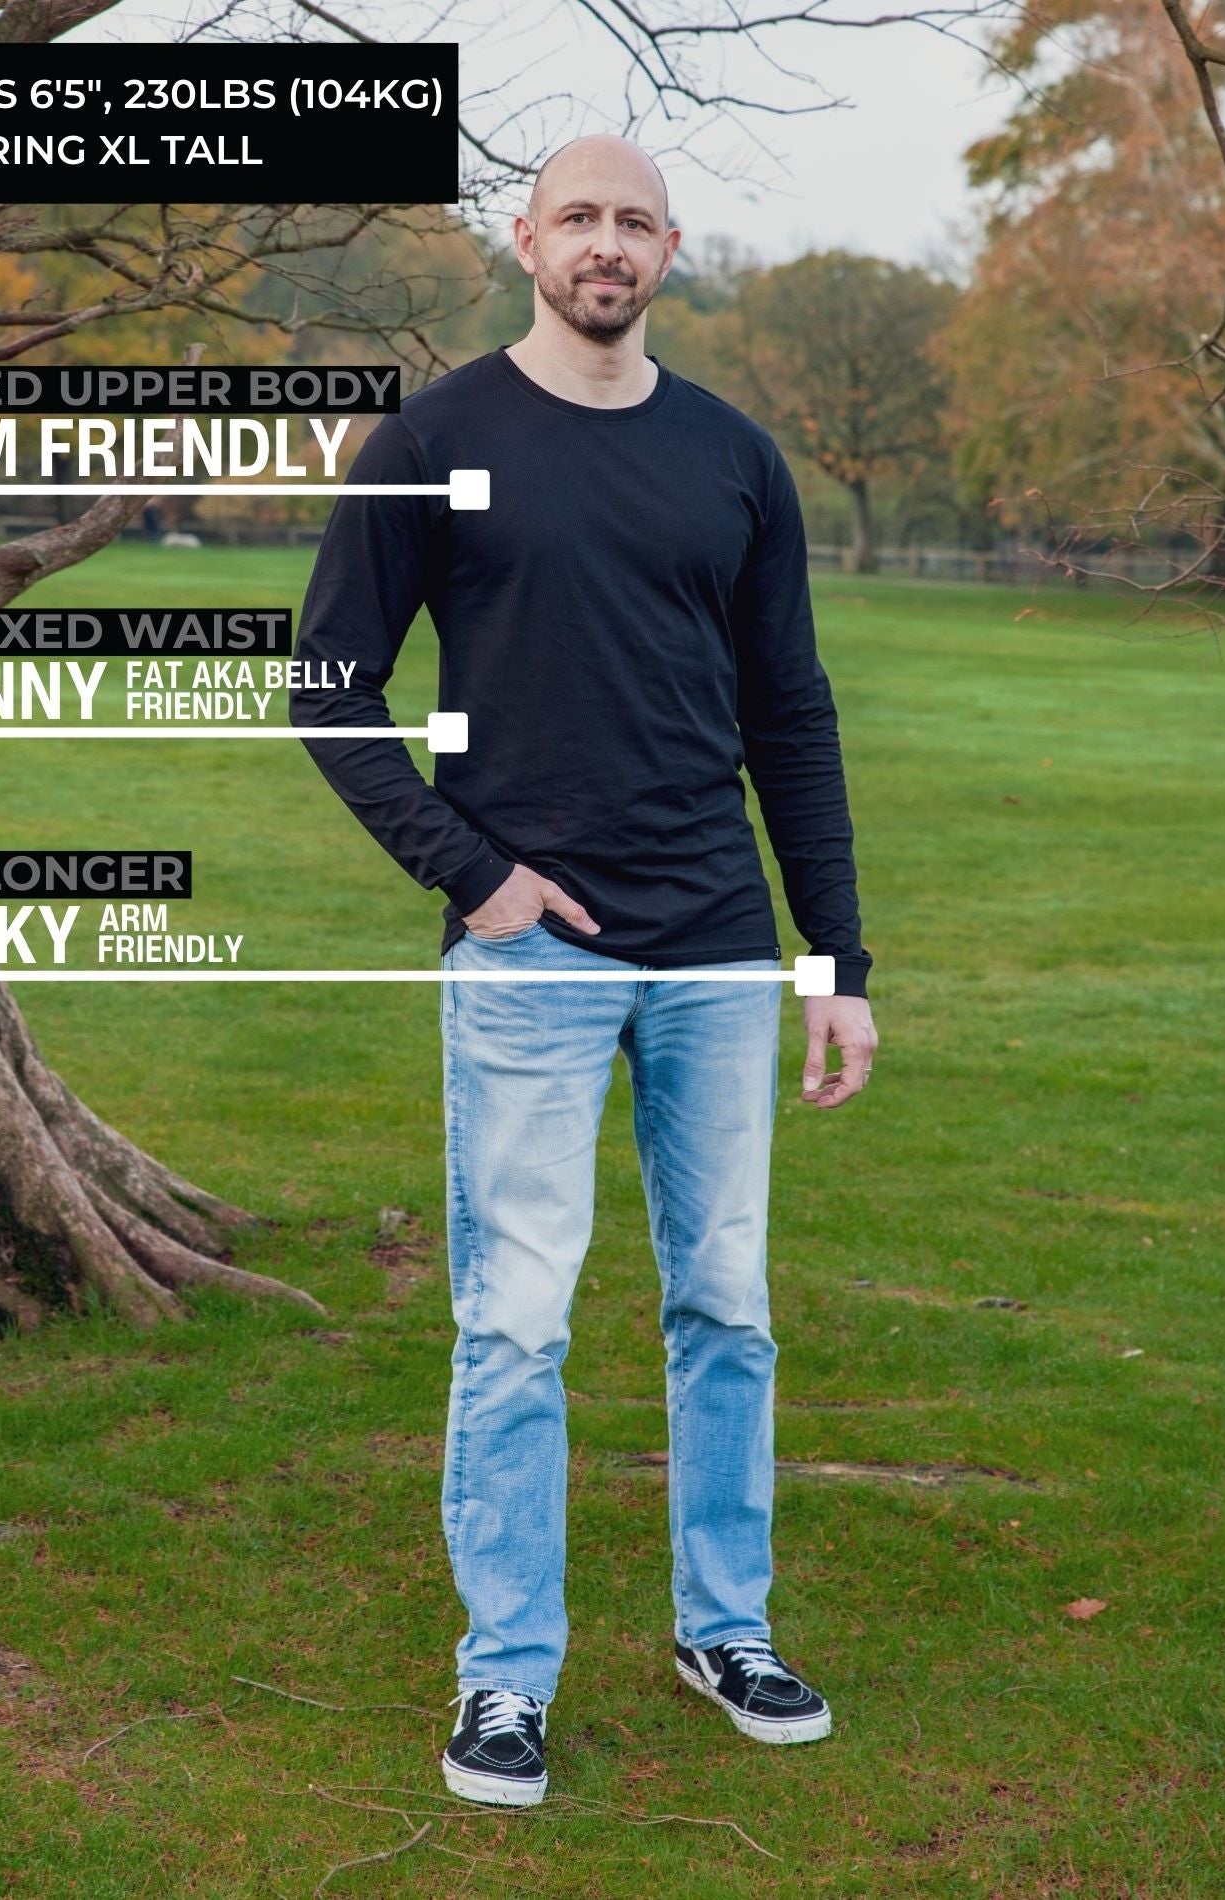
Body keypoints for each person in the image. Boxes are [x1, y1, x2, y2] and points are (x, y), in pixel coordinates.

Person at [292, 133, 879, 1808]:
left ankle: (726, 1627)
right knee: (517, 1330)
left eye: (633, 221)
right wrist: (473, 877)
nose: (606, 245)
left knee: (728, 1310)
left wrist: (833, 954)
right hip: (529, 963)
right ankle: (506, 1678)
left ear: (670, 248)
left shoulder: (736, 458)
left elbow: (793, 719)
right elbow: (329, 686)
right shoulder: (436, 439)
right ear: (525, 239)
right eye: (579, 218)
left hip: (715, 955)